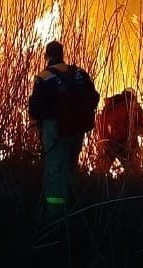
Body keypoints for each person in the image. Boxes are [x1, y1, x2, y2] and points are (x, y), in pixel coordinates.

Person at [28, 40, 99, 219]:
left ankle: (55, 217)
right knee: (70, 169)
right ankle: (74, 211)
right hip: (78, 130)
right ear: (62, 54)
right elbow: (95, 97)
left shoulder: (43, 77)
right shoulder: (79, 74)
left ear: (47, 56)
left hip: (55, 131)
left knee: (54, 171)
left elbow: (34, 109)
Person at [94, 89, 143, 176]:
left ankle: (96, 185)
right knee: (134, 171)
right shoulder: (132, 105)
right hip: (124, 142)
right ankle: (135, 185)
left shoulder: (109, 106)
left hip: (107, 142)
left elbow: (99, 124)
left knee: (101, 171)